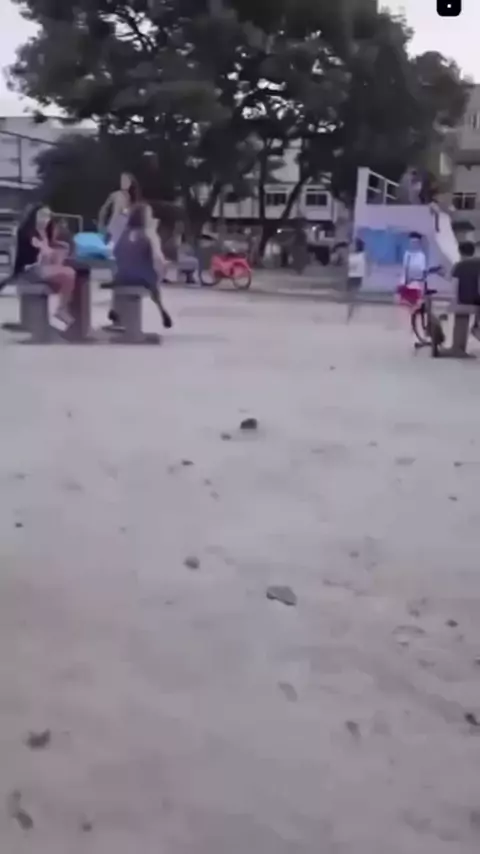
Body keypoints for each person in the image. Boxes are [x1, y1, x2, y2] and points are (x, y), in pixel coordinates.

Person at [13, 204, 76, 326]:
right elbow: (42, 249)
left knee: (70, 276)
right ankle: (61, 309)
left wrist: (60, 248)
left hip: (41, 269)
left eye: (48, 216)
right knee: (69, 274)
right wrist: (52, 251)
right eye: (42, 215)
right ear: (34, 216)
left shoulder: (45, 231)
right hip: (29, 270)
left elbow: (50, 250)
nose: (45, 219)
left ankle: (62, 308)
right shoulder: (28, 232)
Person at [112, 202, 172, 329]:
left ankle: (115, 310)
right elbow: (157, 258)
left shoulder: (123, 234)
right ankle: (160, 307)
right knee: (154, 279)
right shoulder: (149, 235)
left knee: (118, 276)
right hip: (143, 279)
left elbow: (116, 253)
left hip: (123, 277)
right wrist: (164, 267)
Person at [98, 172, 141, 247]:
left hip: (125, 233)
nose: (123, 183)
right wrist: (101, 225)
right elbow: (105, 211)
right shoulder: (117, 196)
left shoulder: (134, 199)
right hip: (114, 232)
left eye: (126, 180)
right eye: (122, 180)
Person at [451, 242, 480, 344]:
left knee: (461, 316)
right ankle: (476, 325)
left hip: (463, 299)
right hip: (477, 299)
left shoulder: (458, 266)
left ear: (460, 253)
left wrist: (454, 302)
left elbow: (454, 284)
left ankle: (459, 346)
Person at [397, 232, 428, 308]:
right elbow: (405, 269)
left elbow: (422, 272)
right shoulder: (407, 254)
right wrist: (405, 281)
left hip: (416, 283)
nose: (413, 244)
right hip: (406, 283)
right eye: (412, 242)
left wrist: (416, 279)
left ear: (419, 243)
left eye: (415, 242)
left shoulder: (421, 256)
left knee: (415, 304)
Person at [345, 237, 366, 321]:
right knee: (350, 296)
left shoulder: (361, 256)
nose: (351, 246)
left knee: (352, 297)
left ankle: (349, 315)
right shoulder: (351, 256)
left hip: (357, 277)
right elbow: (348, 266)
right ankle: (353, 309)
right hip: (351, 276)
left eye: (353, 245)